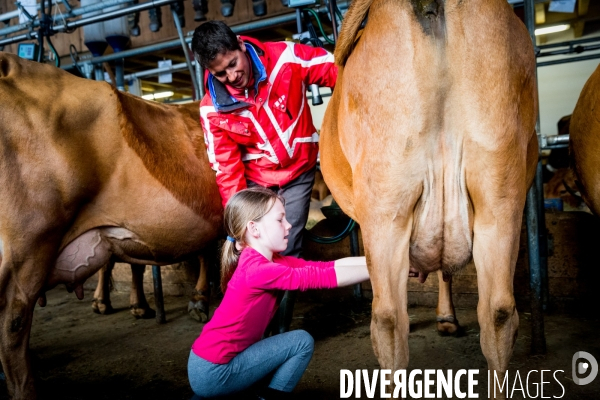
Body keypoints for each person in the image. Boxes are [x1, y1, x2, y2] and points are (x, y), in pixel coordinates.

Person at [191, 21, 338, 332]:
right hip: (258, 182)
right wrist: (240, 222)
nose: (232, 76)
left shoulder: (286, 59)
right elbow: (226, 169)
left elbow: (334, 68)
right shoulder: (212, 110)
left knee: (286, 247)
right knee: (256, 254)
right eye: (221, 73)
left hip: (297, 172)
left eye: (233, 63)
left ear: (242, 47)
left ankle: (278, 329)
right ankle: (255, 329)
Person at [188, 187, 369, 399]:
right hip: (214, 371)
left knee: (271, 355)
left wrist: (387, 262)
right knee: (300, 341)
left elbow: (327, 267)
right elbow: (325, 278)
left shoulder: (270, 261)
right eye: (280, 220)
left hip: (209, 362)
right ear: (254, 229)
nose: (289, 225)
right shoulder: (259, 271)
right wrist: (386, 270)